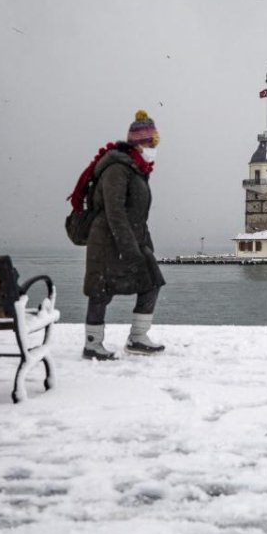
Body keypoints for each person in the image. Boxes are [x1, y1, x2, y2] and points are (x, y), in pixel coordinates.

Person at [82, 109, 166, 359]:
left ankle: (138, 337)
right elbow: (115, 211)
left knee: (152, 282)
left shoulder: (137, 169)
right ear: (139, 143)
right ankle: (92, 344)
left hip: (132, 239)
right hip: (107, 241)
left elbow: (137, 213)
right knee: (101, 290)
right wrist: (129, 249)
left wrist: (144, 244)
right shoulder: (117, 168)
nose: (154, 149)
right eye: (151, 144)